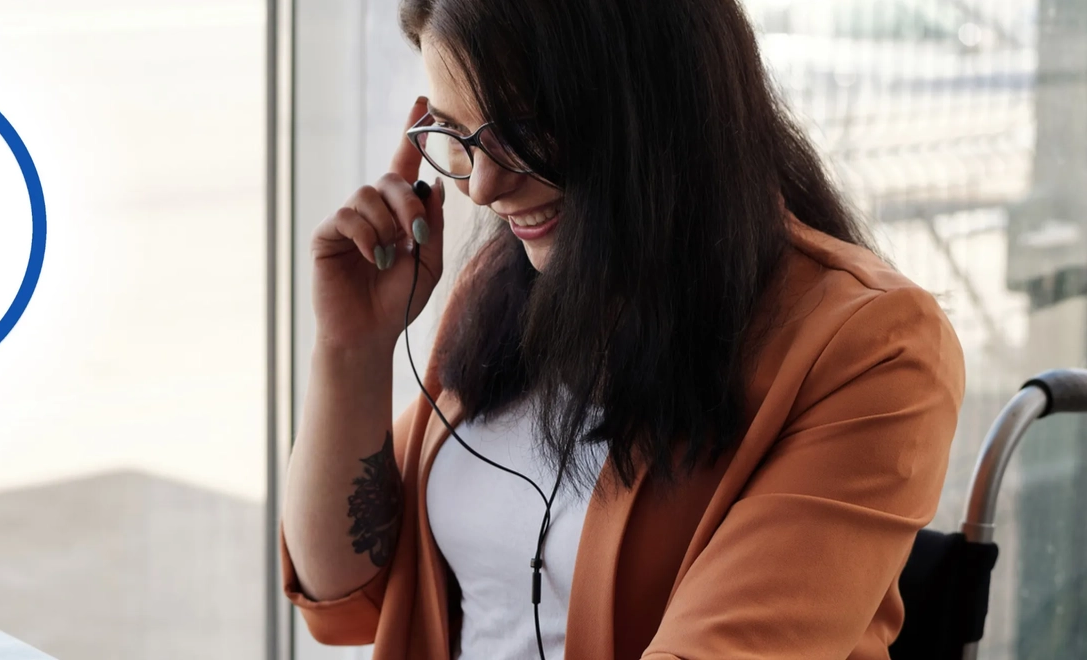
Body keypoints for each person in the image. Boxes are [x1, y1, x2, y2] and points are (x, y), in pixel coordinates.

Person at [279, 0, 966, 658]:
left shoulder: (871, 346)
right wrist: (352, 349)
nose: (481, 188)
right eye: (457, 135)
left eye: (519, 131)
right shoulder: (503, 285)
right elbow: (345, 593)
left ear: (658, 106)